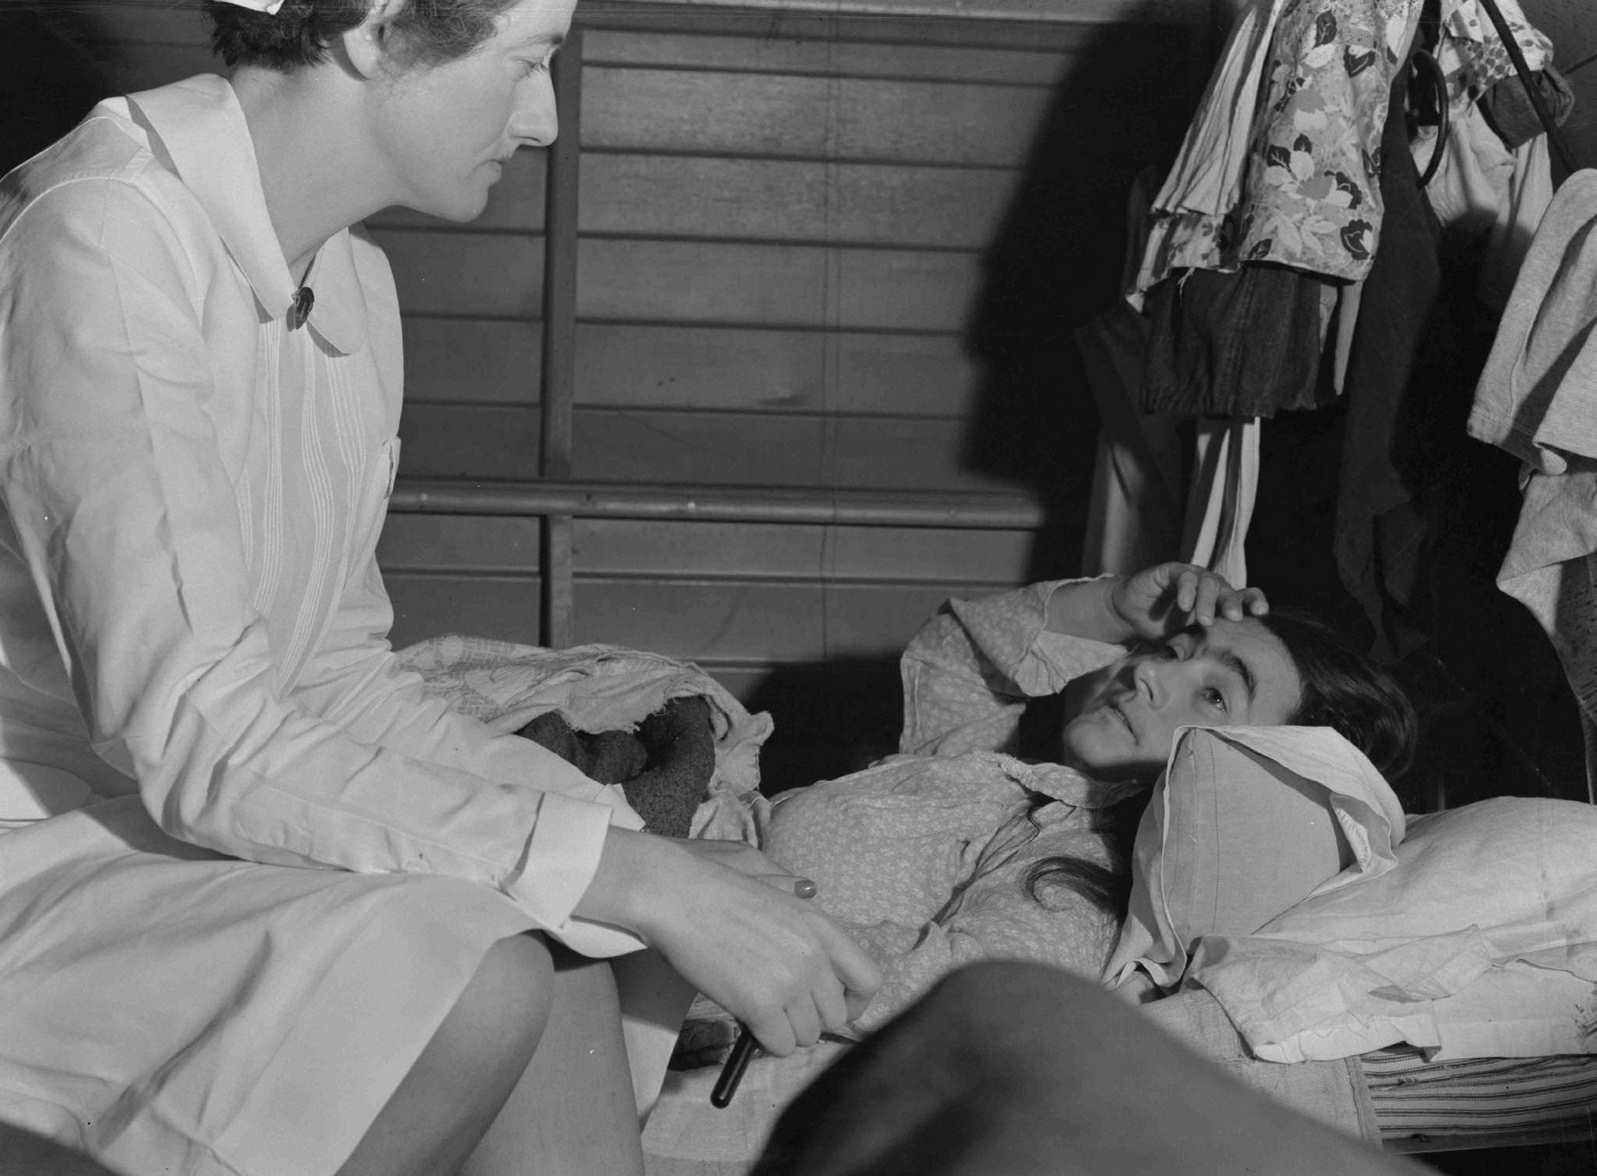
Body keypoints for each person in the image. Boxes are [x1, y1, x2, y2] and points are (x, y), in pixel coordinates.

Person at [0, 2, 880, 1175]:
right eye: (528, 62)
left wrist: (629, 852)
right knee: (474, 970)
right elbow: (202, 731)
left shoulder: (352, 281)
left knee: (570, 927)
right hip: (37, 854)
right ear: (372, 34)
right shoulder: (94, 235)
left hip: (166, 837)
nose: (547, 119)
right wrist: (630, 873)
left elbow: (334, 678)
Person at [758, 561, 1417, 1032]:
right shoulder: (1036, 797)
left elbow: (954, 999)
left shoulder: (1080, 884)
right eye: (1174, 650)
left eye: (1214, 694)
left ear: (1271, 774)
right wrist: (1111, 608)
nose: (1149, 671)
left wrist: (719, 909)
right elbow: (953, 661)